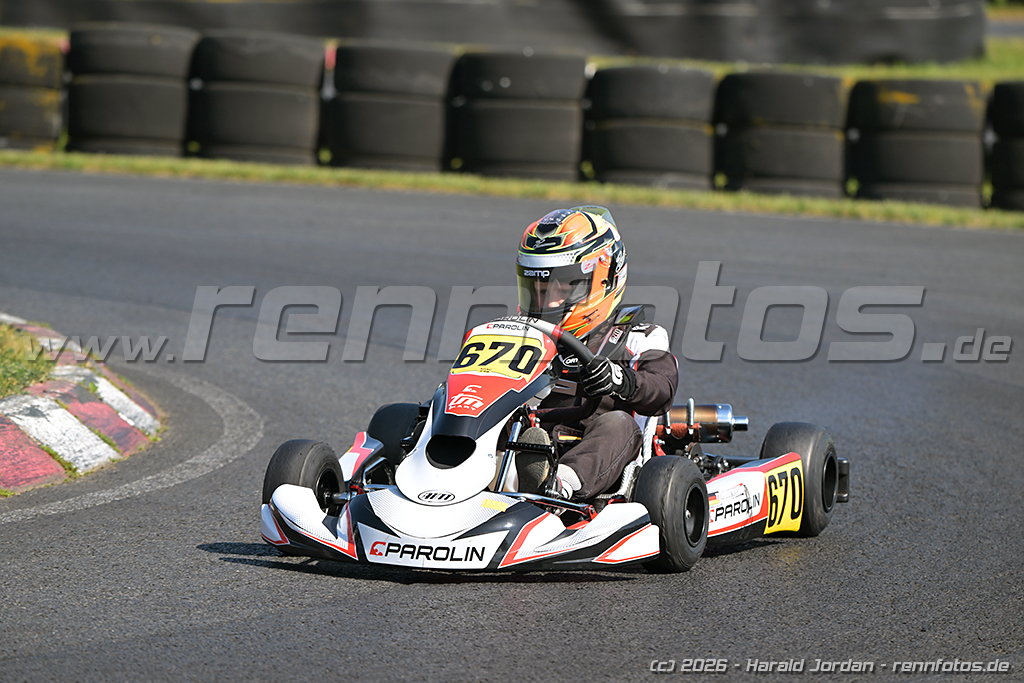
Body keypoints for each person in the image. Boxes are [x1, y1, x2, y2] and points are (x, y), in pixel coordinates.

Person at [514, 206, 679, 501]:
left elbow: (661, 387)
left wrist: (620, 380)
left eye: (561, 289)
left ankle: (559, 486)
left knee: (619, 423)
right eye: (538, 289)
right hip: (529, 441)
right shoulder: (520, 337)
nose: (547, 302)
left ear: (605, 280)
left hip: (599, 456)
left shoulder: (637, 336)